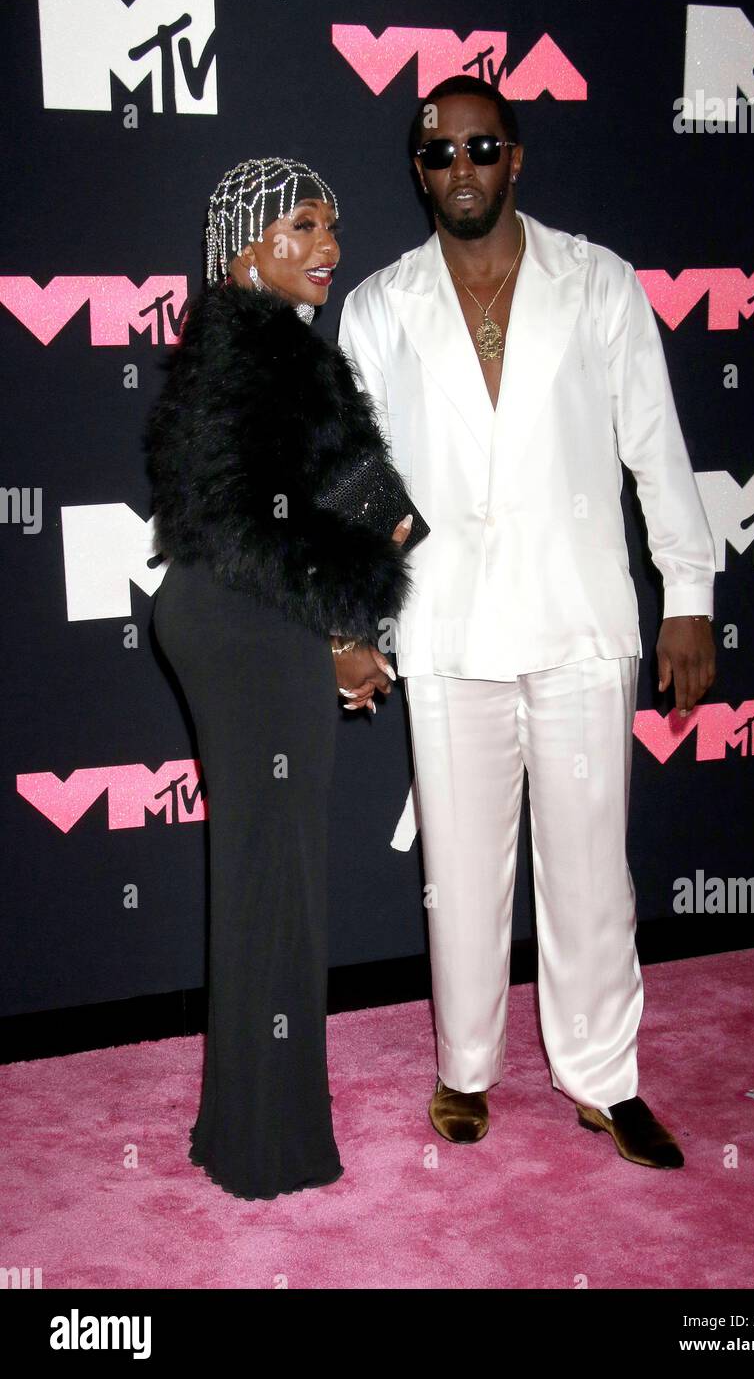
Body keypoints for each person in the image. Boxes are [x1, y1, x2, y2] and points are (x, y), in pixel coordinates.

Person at [337, 79, 717, 1169]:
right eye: (440, 152)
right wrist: (349, 617)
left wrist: (686, 592)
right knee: (458, 870)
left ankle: (604, 1076)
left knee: (593, 867)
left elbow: (655, 443)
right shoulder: (378, 307)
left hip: (581, 617)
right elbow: (356, 479)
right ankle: (465, 1065)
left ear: (518, 158)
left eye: (482, 146)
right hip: (447, 627)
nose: (462, 167)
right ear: (419, 171)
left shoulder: (598, 283)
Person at [145, 157, 414, 1200]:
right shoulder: (248, 352)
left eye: (333, 225)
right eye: (302, 226)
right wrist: (338, 626)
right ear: (248, 243)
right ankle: (267, 1143)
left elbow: (360, 499)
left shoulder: (272, 349)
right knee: (276, 879)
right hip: (250, 623)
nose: (329, 249)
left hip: (254, 618)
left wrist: (357, 603)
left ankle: (243, 1124)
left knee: (271, 874)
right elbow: (238, 521)